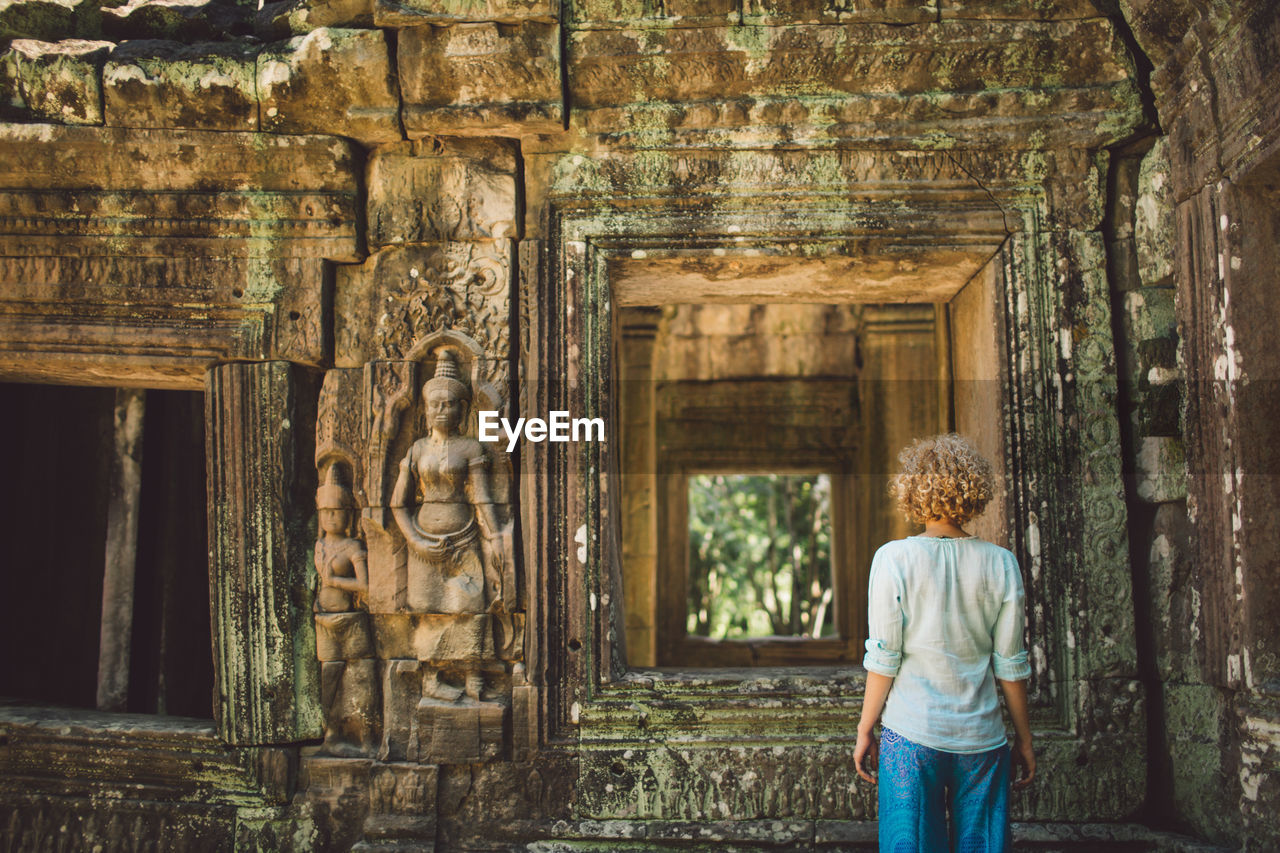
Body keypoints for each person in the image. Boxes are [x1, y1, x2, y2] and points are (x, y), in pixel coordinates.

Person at [854, 433, 1035, 853]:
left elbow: (884, 658)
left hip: (910, 736)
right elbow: (1010, 663)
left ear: (912, 492)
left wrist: (865, 729)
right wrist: (1024, 739)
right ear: (974, 489)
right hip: (983, 740)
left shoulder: (893, 558)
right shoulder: (1001, 563)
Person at [391, 350, 509, 702]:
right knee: (430, 610)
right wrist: (414, 539)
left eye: (450, 404)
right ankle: (432, 678)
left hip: (464, 535)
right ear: (425, 410)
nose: (442, 410)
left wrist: (496, 535)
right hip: (424, 541)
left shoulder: (470, 448)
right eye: (435, 404)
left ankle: (473, 674)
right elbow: (398, 503)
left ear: (463, 410)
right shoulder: (416, 450)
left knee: (471, 607)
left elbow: (482, 497)